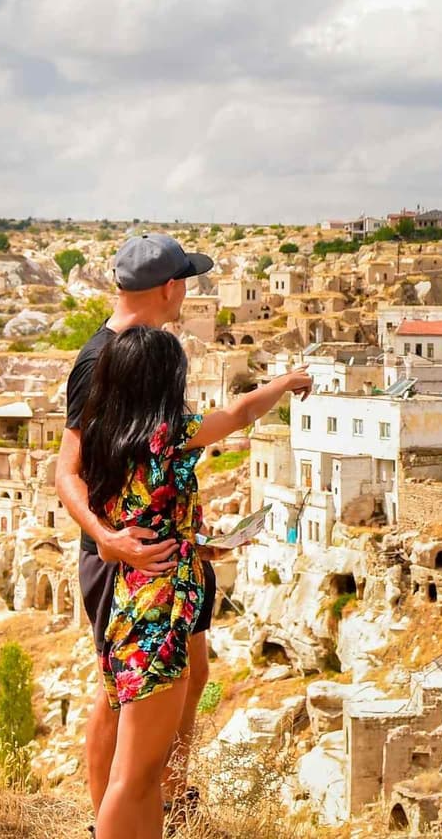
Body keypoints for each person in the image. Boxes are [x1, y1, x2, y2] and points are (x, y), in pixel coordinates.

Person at [80, 326, 310, 839]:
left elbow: (110, 539)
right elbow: (240, 413)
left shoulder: (104, 441)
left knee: (139, 779)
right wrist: (286, 383)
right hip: (158, 618)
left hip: (128, 608)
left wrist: (201, 544)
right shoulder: (165, 435)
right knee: (136, 776)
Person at [54, 233, 213, 822]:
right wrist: (105, 539)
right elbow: (65, 469)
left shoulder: (146, 349)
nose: (188, 293)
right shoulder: (101, 359)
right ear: (169, 287)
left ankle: (160, 799)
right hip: (122, 553)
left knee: (192, 671)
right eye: (186, 282)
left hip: (163, 555)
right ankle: (115, 811)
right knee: (120, 694)